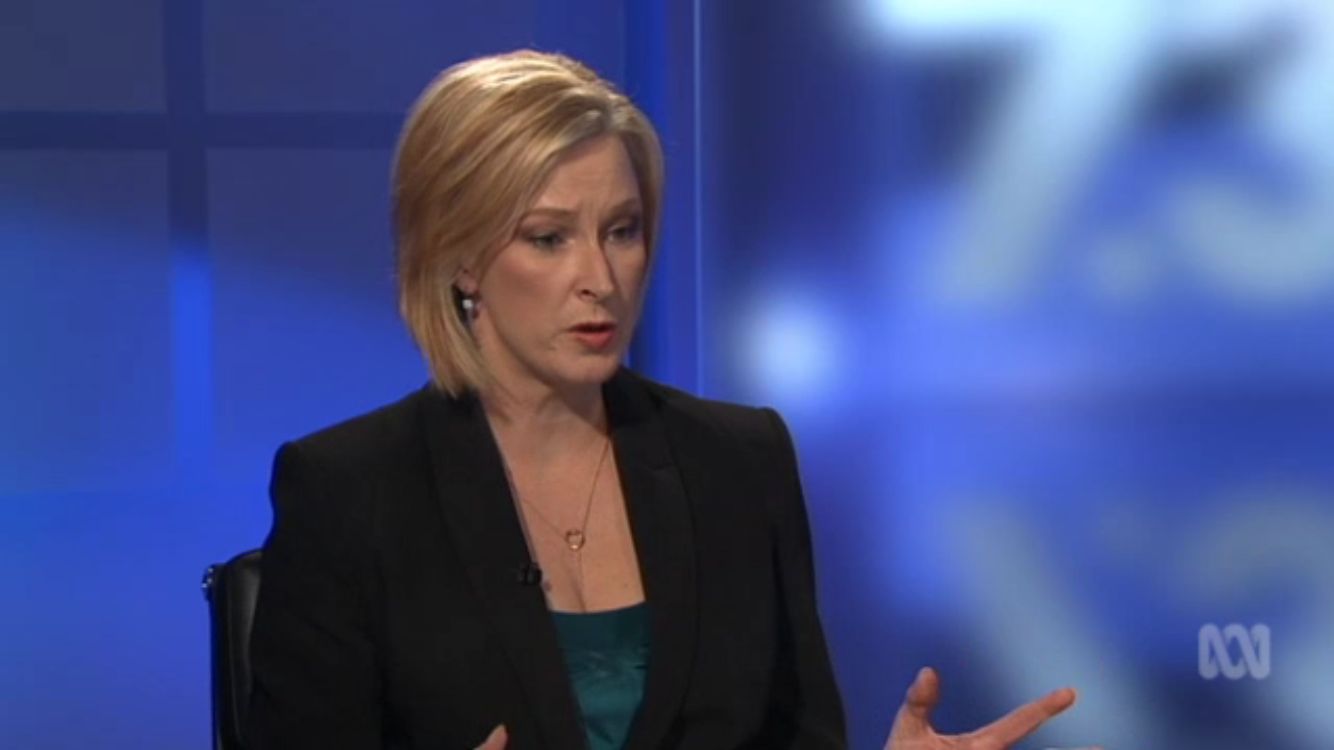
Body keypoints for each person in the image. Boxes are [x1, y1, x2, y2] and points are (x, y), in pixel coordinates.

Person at [245, 49, 1084, 750]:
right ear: (461, 258)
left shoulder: (739, 461)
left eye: (623, 230)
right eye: (549, 239)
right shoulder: (348, 493)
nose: (600, 278)